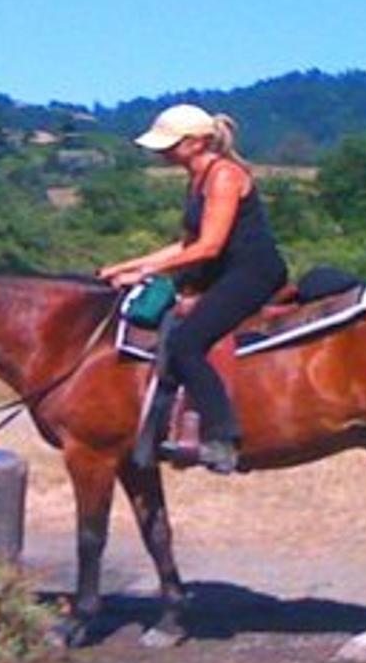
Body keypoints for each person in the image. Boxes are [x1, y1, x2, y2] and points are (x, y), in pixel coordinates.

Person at [99, 103, 288, 473]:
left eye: (171, 143)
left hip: (252, 272)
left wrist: (148, 271)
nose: (163, 152)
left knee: (186, 344)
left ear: (198, 142)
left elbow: (209, 246)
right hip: (225, 271)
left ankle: (222, 435)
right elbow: (187, 245)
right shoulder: (196, 178)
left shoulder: (224, 176)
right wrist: (124, 266)